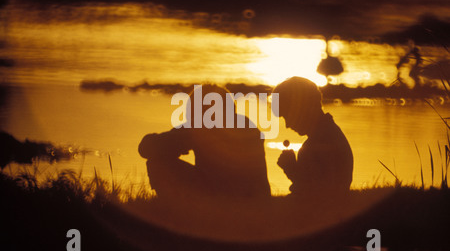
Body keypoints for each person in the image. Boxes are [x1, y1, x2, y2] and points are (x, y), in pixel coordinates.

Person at [138, 84, 271, 204]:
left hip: (220, 196)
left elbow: (145, 148)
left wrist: (172, 147)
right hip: (257, 198)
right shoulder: (248, 125)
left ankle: (173, 208)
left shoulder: (201, 127)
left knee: (156, 163)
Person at [272, 77, 353, 200]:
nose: (287, 125)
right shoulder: (331, 133)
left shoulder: (314, 147)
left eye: (287, 116)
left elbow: (313, 196)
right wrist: (293, 170)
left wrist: (292, 169)